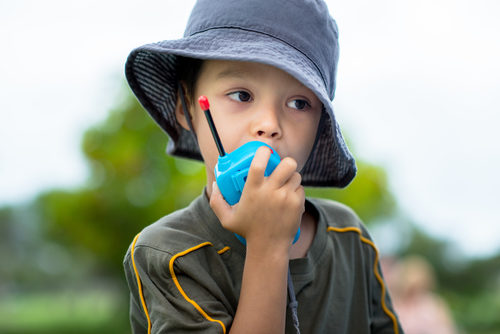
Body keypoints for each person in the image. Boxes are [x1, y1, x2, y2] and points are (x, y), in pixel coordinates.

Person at [123, 0, 403, 333]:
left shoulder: (350, 237)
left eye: (299, 103)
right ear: (187, 106)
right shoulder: (169, 254)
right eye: (241, 95)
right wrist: (268, 245)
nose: (269, 124)